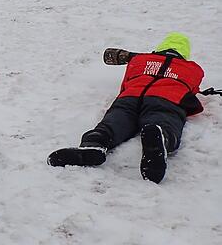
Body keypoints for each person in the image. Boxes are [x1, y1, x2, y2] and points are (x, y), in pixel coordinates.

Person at [48, 32, 205, 183]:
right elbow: (192, 89)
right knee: (164, 120)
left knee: (114, 122)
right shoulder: (194, 69)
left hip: (130, 97)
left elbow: (125, 83)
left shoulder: (140, 60)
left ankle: (94, 144)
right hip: (167, 98)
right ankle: (161, 137)